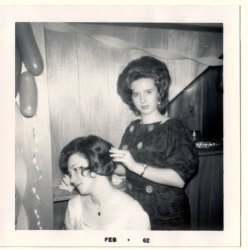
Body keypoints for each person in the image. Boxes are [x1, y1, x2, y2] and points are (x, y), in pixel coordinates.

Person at [109, 56, 198, 230]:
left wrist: (135, 166)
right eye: (136, 94)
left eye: (148, 92)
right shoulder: (132, 128)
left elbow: (179, 179)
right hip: (135, 209)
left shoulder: (174, 127)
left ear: (159, 92)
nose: (142, 100)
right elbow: (124, 167)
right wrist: (100, 165)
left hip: (167, 214)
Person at [59, 135, 150, 230]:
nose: (72, 180)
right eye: (70, 174)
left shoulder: (134, 214)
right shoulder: (74, 207)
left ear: (95, 162)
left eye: (76, 169)